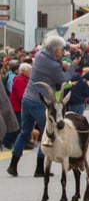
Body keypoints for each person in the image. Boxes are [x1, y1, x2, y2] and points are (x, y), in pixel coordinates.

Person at [6, 35, 80, 177]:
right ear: (55, 50)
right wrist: (72, 67)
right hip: (40, 101)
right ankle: (39, 168)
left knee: (25, 132)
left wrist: (68, 52)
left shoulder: (40, 55)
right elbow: (63, 79)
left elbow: (56, 59)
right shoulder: (52, 65)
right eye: (61, 50)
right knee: (47, 132)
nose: (62, 53)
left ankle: (13, 164)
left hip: (27, 99)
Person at [4, 63, 29, 149]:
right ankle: (8, 141)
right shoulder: (19, 80)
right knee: (16, 125)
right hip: (17, 106)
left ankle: (20, 142)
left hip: (20, 106)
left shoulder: (25, 79)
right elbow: (20, 95)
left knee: (19, 125)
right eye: (29, 71)